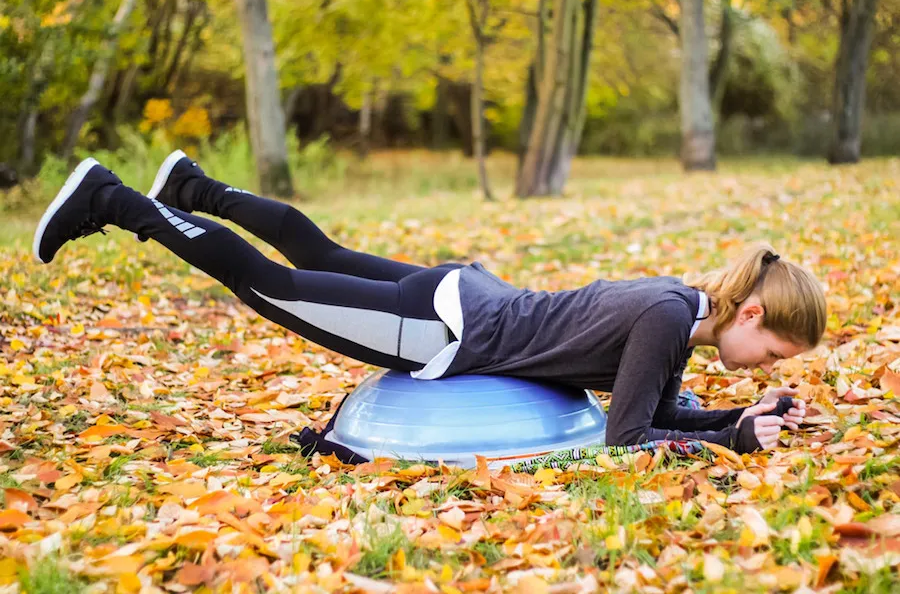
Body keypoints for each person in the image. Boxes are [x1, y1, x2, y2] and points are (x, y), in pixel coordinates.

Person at [33, 151, 824, 457]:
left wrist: (734, 422)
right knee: (272, 284)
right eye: (774, 357)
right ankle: (114, 199)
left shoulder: (679, 306)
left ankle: (194, 188)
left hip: (466, 296)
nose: (764, 370)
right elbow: (628, 435)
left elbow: (651, 408)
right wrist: (732, 440)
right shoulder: (664, 321)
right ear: (751, 314)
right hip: (443, 331)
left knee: (324, 257)